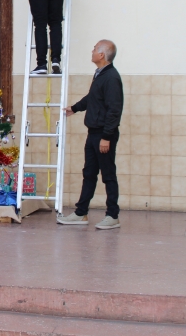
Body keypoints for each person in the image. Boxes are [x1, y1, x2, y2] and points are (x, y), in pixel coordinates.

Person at [58, 40, 124, 230]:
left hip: (104, 135)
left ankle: (113, 215)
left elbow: (114, 110)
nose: (92, 51)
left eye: (95, 49)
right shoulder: (100, 75)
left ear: (102, 55)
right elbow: (92, 98)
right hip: (93, 133)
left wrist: (106, 136)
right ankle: (81, 213)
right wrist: (75, 108)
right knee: (89, 173)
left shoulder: (111, 77)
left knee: (108, 175)